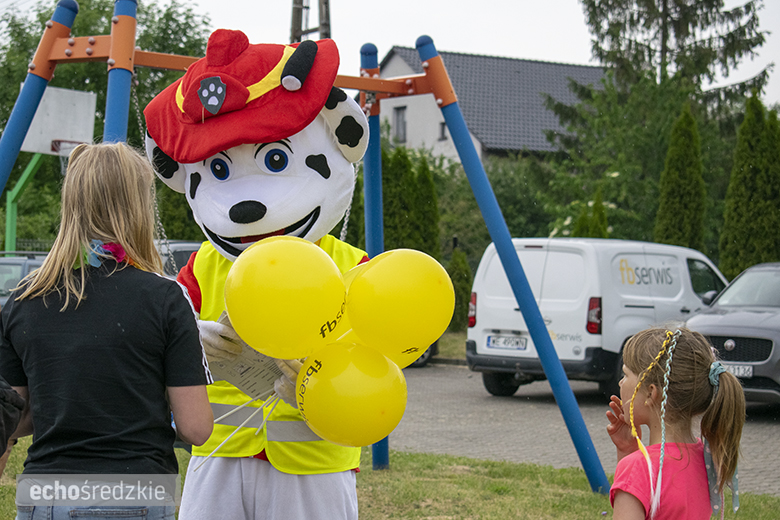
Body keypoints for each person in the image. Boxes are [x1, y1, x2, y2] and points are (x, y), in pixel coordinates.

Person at [0, 142, 214, 520]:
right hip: (137, 492)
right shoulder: (165, 298)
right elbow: (196, 428)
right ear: (138, 205)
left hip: (44, 494)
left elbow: (16, 417)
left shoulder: (22, 299)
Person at [606, 327, 745, 519]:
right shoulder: (705, 457)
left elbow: (641, 482)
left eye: (626, 375)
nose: (621, 383)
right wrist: (626, 451)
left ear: (650, 393)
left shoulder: (637, 469)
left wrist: (629, 461)